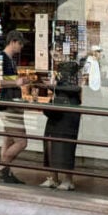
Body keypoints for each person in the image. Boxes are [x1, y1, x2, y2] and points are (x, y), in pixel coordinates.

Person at [0, 31, 29, 185]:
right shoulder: (1, 58)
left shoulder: (9, 59)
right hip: (7, 105)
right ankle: (2, 167)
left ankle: (6, 173)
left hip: (11, 104)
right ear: (13, 41)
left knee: (8, 139)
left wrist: (18, 81)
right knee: (22, 142)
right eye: (20, 44)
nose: (21, 47)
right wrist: (16, 83)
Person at [40, 59, 83, 191]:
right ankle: (53, 177)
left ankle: (68, 179)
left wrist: (53, 86)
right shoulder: (60, 82)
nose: (61, 74)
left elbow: (74, 90)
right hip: (56, 114)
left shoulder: (75, 84)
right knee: (49, 142)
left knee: (66, 146)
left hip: (68, 117)